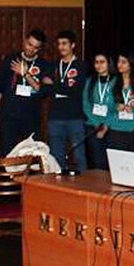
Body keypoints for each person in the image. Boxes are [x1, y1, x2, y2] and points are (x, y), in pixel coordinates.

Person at [0, 29, 49, 155]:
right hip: (9, 115)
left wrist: (25, 74)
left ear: (39, 49)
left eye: (35, 47)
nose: (31, 49)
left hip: (31, 117)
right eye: (29, 44)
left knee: (32, 155)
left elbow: (42, 90)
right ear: (25, 41)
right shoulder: (11, 60)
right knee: (7, 153)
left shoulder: (43, 64)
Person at [43, 30, 89, 172]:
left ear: (72, 45)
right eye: (59, 44)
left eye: (64, 43)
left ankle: (84, 184)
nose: (61, 47)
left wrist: (54, 85)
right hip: (55, 116)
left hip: (75, 116)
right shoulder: (53, 65)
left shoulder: (81, 65)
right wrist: (62, 87)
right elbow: (45, 89)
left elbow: (76, 90)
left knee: (79, 156)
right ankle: (59, 184)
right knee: (56, 157)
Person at [107, 51, 134, 152]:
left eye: (123, 62)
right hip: (116, 127)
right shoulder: (113, 82)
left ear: (131, 64)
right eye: (118, 61)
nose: (119, 64)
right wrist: (116, 107)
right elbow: (108, 105)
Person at [82, 52, 115, 170]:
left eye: (102, 62)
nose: (99, 65)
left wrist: (105, 125)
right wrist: (97, 124)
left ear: (109, 64)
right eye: (96, 62)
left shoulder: (116, 81)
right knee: (97, 161)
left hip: (111, 125)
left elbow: (117, 106)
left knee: (111, 161)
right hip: (93, 125)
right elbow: (86, 104)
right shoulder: (90, 81)